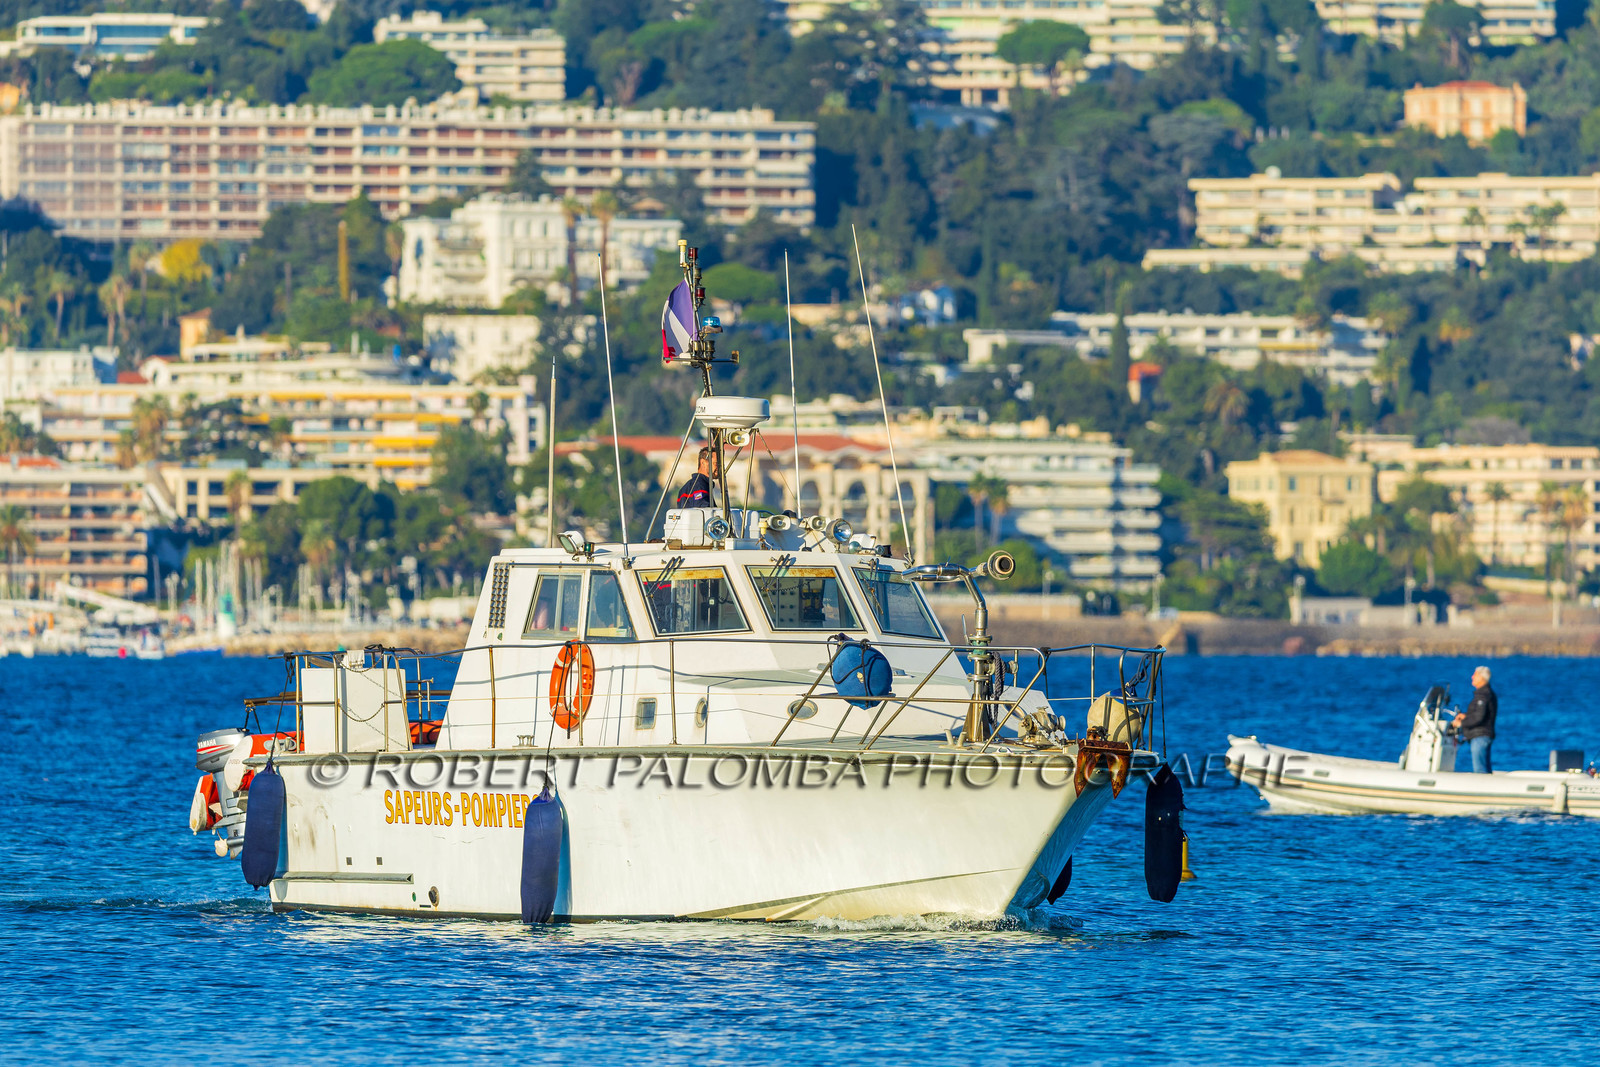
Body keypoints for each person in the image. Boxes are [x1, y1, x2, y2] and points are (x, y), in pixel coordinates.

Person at [1453, 666, 1497, 774]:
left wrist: (1461, 723)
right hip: (1482, 736)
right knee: (1484, 768)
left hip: (1480, 737)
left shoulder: (1483, 695)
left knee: (1480, 770)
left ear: (1481, 677)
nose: (1472, 677)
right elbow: (1480, 714)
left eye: (1475, 674)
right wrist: (1466, 716)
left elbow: (1479, 717)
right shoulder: (1486, 693)